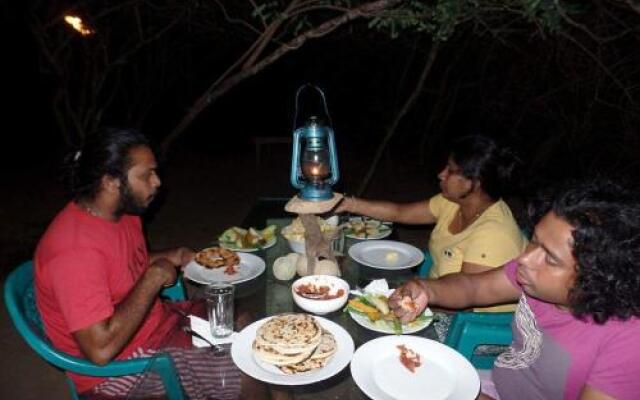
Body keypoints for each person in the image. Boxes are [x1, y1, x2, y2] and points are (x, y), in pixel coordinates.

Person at [34, 128, 260, 399]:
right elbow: (100, 351)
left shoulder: (124, 213)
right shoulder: (73, 251)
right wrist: (153, 278)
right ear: (110, 182)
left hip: (155, 326)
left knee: (248, 324)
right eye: (146, 175)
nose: (157, 182)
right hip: (120, 371)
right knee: (251, 372)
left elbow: (124, 264)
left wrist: (173, 255)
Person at [389, 179, 640, 400]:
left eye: (550, 258)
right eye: (534, 240)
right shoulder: (536, 279)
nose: (525, 259)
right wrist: (426, 289)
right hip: (491, 384)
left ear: (598, 275)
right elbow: (473, 286)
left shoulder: (629, 343)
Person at [336, 135, 527, 311]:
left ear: (474, 183)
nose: (441, 174)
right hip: (435, 293)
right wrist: (347, 203)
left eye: (451, 171)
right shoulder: (453, 202)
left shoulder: (493, 234)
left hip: (474, 324)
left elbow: (467, 299)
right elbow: (400, 212)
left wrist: (417, 299)